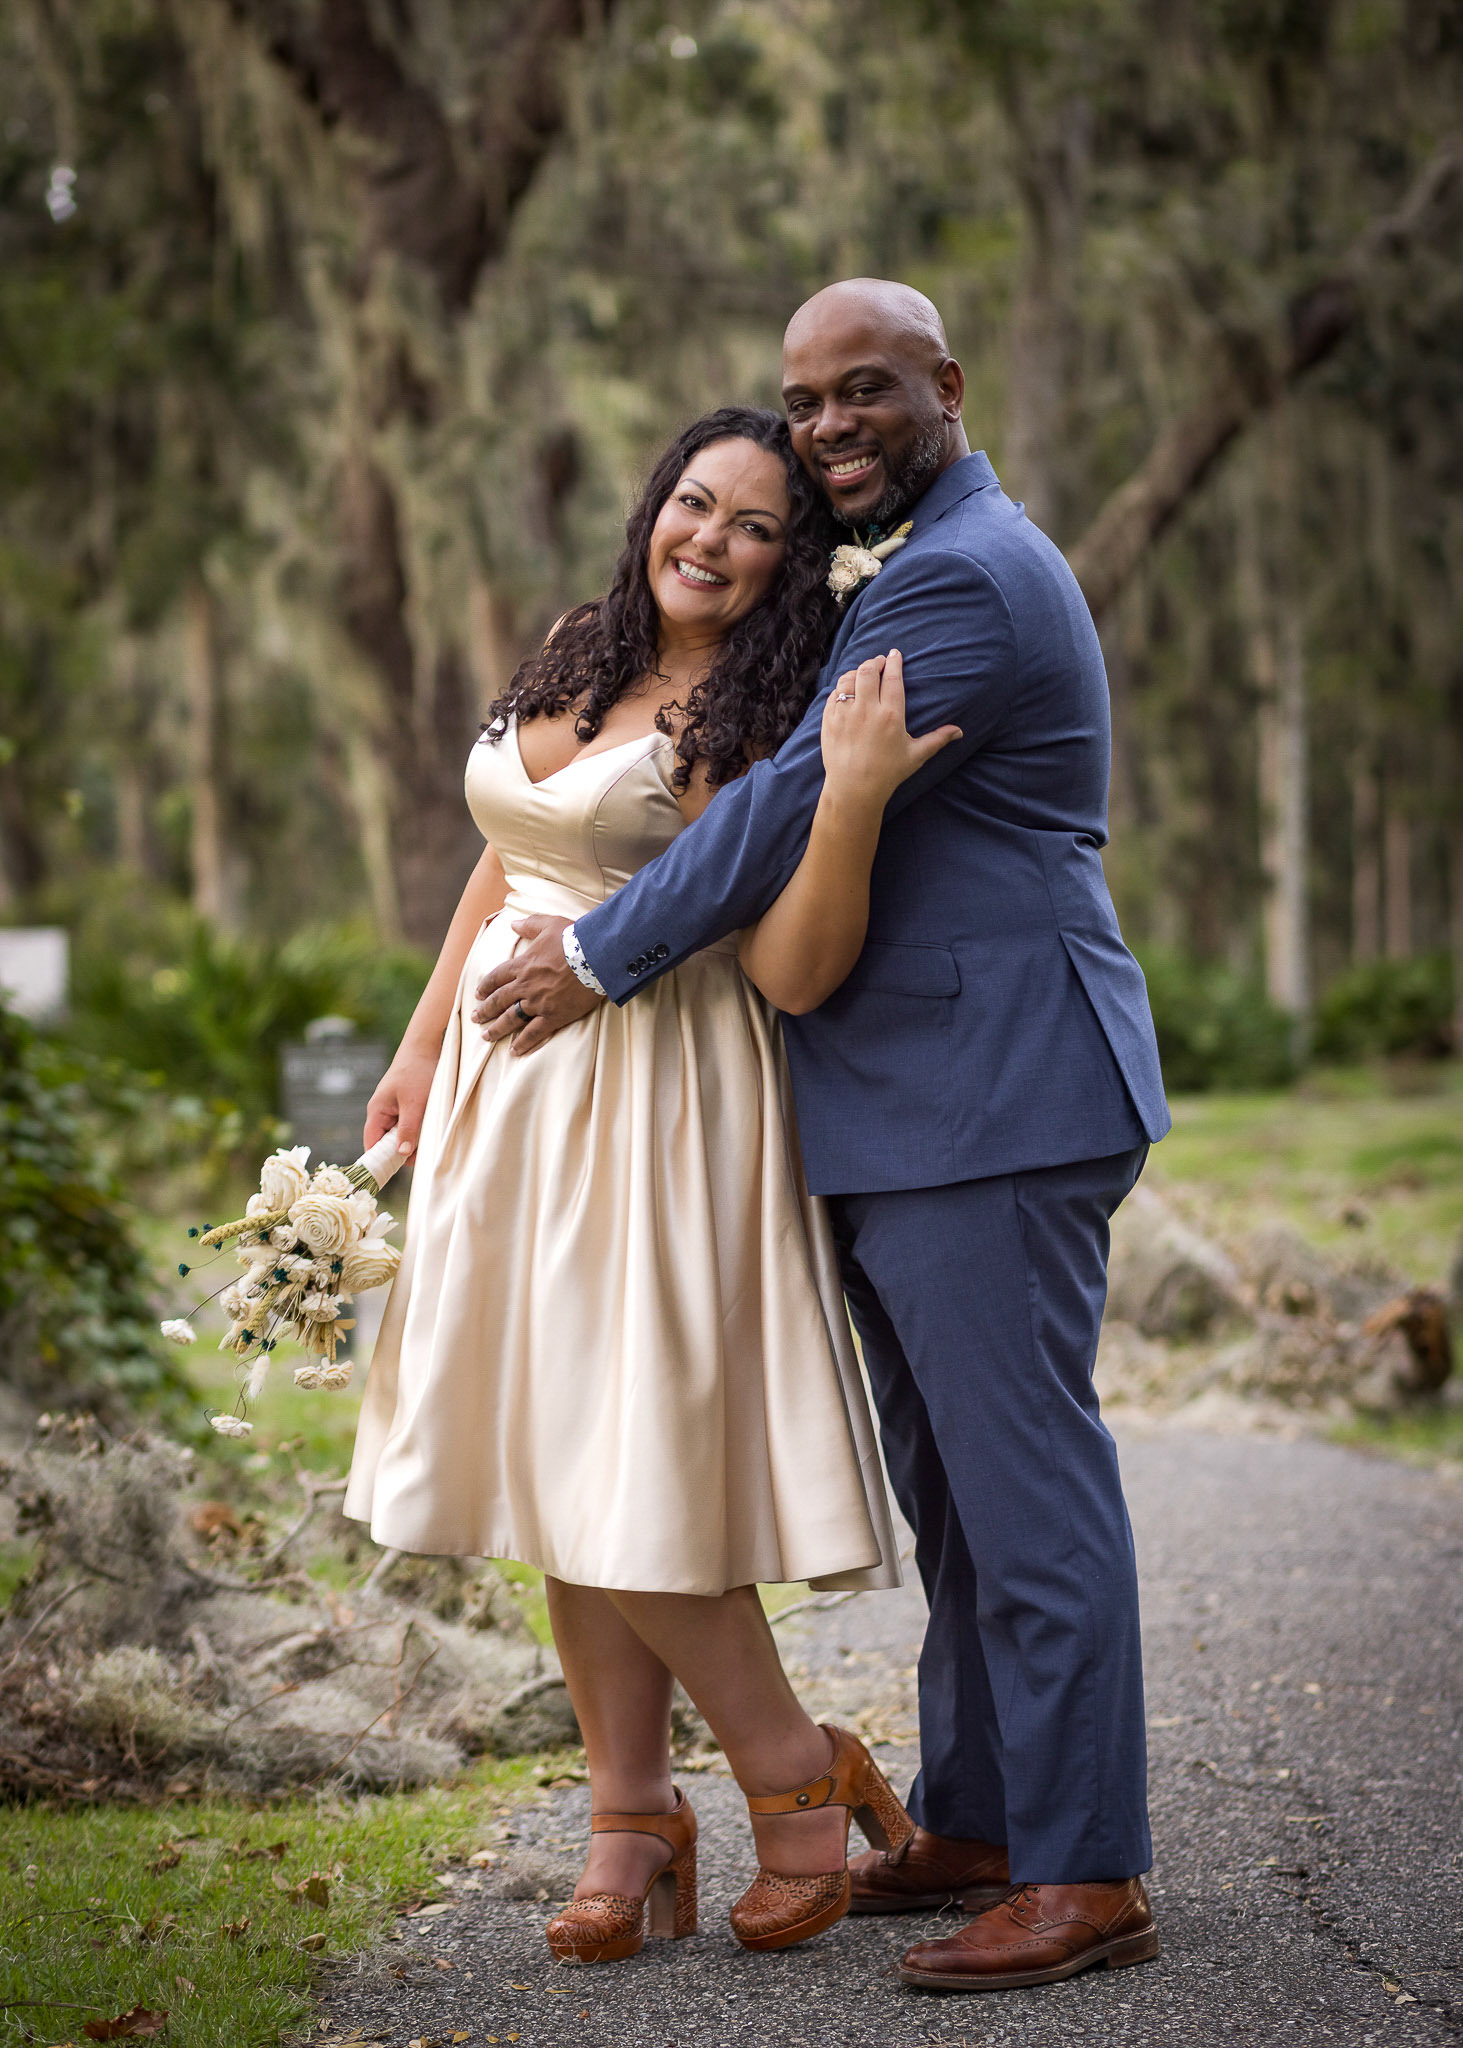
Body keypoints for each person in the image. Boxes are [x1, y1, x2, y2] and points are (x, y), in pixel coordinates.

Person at [474, 281, 1173, 1994]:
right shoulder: (918, 559)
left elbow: (784, 805)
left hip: (993, 1093)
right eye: (807, 399)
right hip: (911, 1098)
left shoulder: (959, 579)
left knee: (1027, 1496)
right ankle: (985, 1821)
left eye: (867, 390)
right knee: (959, 1500)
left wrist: (599, 953)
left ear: (944, 385)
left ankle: (1090, 1871)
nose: (831, 422)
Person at [344, 405, 958, 1965]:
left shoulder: (769, 712)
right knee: (554, 1460)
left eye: (759, 528)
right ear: (654, 506)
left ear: (794, 563)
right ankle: (631, 1819)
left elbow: (789, 962)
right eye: (698, 505)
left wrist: (859, 801)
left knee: (623, 1452)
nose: (714, 541)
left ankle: (791, 1771)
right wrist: (423, 1050)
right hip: (506, 1094)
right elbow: (505, 860)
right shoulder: (574, 643)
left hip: (655, 1094)